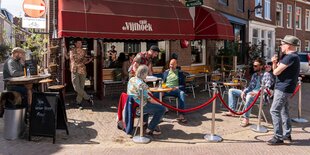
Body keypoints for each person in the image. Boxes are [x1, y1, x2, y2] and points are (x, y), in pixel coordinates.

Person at [267, 35, 300, 145]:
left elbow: (276, 72)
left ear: (289, 45)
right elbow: (276, 70)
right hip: (285, 88)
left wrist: (275, 64)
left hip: (283, 88)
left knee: (274, 110)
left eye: (283, 44)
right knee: (283, 111)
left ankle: (278, 137)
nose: (281, 46)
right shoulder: (292, 57)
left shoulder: (290, 57)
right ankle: (287, 134)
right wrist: (274, 62)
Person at [223, 58, 274, 127]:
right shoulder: (254, 75)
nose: (254, 67)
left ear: (261, 66)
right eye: (253, 65)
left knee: (249, 96)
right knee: (231, 91)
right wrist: (244, 91)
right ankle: (232, 111)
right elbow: (250, 87)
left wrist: (256, 93)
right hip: (251, 93)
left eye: (256, 66)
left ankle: (246, 118)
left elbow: (267, 89)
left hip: (260, 96)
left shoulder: (267, 75)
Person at [127, 65, 165, 135]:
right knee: (162, 109)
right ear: (144, 74)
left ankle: (144, 123)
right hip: (140, 108)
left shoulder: (131, 80)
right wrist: (159, 103)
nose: (147, 75)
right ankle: (150, 129)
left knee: (148, 102)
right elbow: (150, 99)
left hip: (132, 105)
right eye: (147, 73)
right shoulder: (142, 85)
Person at [69, 38, 93, 110]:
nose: (80, 44)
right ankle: (88, 97)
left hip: (82, 70)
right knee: (76, 87)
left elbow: (84, 61)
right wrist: (83, 59)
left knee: (81, 87)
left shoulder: (84, 51)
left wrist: (89, 60)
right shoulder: (72, 51)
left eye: (81, 43)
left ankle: (78, 102)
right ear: (75, 44)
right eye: (78, 43)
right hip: (75, 70)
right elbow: (74, 59)